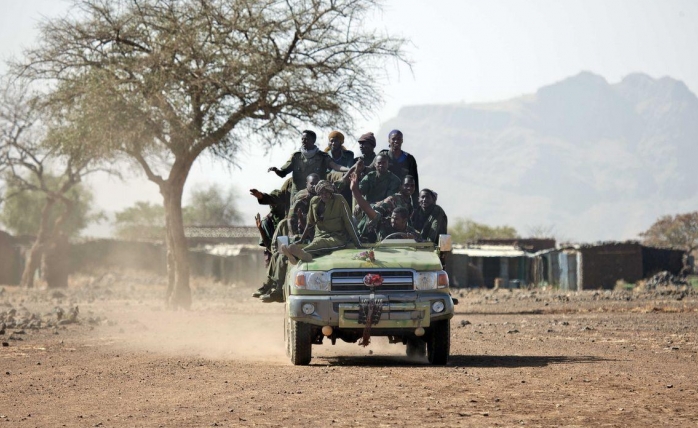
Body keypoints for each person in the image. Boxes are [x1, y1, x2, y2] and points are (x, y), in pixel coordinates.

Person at [280, 180, 362, 264]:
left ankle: (298, 254)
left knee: (321, 244)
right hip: (319, 237)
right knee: (318, 245)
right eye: (321, 193)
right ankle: (303, 256)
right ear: (318, 193)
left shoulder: (339, 200)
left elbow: (349, 222)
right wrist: (301, 240)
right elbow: (309, 224)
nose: (324, 195)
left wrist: (358, 244)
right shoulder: (314, 202)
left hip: (338, 237)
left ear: (331, 192)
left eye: (327, 192)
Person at [268, 130, 351, 202]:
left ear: (313, 141)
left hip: (316, 195)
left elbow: (336, 166)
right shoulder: (296, 157)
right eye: (302, 139)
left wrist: (350, 169)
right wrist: (276, 170)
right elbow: (283, 173)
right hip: (298, 196)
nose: (304, 141)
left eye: (306, 139)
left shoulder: (322, 156)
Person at [351, 173, 416, 242]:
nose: (409, 188)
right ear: (400, 186)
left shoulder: (410, 204)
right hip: (382, 233)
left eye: (412, 186)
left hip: (400, 236)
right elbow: (375, 213)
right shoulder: (392, 200)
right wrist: (355, 191)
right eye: (406, 185)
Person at [378, 130, 419, 207]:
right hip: (383, 199)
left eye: (399, 139)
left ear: (402, 141)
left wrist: (416, 205)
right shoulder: (383, 156)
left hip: (403, 201)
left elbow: (415, 183)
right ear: (389, 140)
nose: (396, 141)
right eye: (393, 139)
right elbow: (372, 172)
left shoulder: (409, 159)